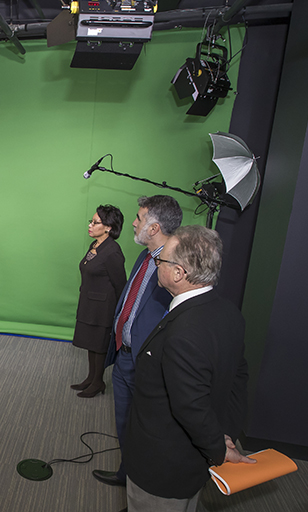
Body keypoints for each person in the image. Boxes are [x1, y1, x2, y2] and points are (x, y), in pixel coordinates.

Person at [123, 225, 252, 511]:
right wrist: (225, 435)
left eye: (161, 260)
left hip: (162, 470)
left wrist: (218, 447)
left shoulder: (183, 332)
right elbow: (238, 380)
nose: (156, 264)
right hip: (193, 463)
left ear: (178, 273)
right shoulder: (228, 313)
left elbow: (190, 406)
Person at [92, 195, 182, 487]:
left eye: (139, 218)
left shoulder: (177, 266)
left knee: (147, 428)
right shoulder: (145, 256)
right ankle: (126, 473)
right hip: (125, 355)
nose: (133, 222)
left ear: (154, 228)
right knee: (123, 421)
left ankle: (141, 484)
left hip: (148, 363)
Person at [71, 205, 126, 398]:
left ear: (108, 227)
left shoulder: (112, 252)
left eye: (96, 223)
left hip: (103, 308)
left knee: (100, 345)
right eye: (91, 221)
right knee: (91, 342)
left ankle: (98, 382)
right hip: (89, 303)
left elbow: (121, 285)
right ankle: (90, 378)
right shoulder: (95, 245)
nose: (90, 225)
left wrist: (119, 313)